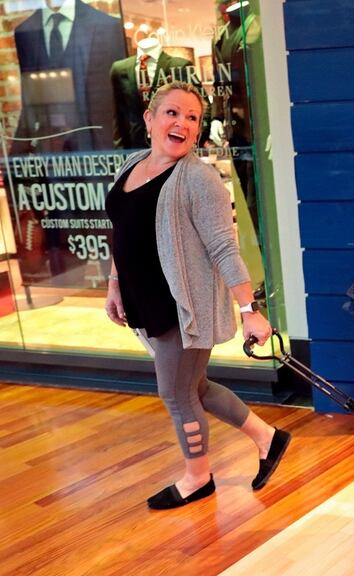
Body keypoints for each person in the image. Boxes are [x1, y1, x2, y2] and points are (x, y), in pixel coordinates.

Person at [103, 81, 290, 510]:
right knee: (195, 387)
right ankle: (268, 438)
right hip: (144, 300)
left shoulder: (199, 180)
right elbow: (123, 234)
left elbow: (225, 248)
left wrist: (249, 310)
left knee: (176, 393)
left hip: (182, 309)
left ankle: (197, 477)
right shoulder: (129, 167)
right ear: (149, 119)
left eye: (192, 118)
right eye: (172, 113)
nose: (182, 123)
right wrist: (114, 285)